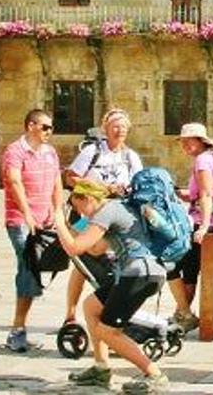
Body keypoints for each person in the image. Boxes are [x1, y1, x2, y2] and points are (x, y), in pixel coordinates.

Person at [53, 180, 170, 393]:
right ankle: (101, 369)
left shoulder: (106, 211)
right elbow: (96, 249)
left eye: (80, 209)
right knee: (91, 307)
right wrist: (70, 230)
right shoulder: (118, 208)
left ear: (88, 199)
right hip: (143, 271)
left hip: (138, 274)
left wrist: (60, 223)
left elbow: (74, 248)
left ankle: (155, 375)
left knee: (108, 331)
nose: (83, 215)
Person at [63, 109, 144, 328]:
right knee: (81, 261)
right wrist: (101, 188)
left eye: (124, 127)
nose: (119, 131)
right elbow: (71, 177)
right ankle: (71, 313)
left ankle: (111, 308)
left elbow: (140, 185)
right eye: (115, 126)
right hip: (86, 213)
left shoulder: (131, 157)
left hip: (115, 215)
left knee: (109, 261)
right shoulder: (93, 151)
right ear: (105, 129)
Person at [1, 108, 62, 352]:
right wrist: (27, 214)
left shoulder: (50, 153)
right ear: (30, 126)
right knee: (28, 264)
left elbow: (57, 182)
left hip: (45, 220)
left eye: (51, 127)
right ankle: (17, 330)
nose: (49, 131)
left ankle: (20, 324)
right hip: (20, 220)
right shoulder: (15, 151)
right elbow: (15, 182)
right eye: (45, 127)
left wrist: (57, 212)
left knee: (34, 267)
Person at [167, 122, 213, 332]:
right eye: (182, 141)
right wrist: (180, 193)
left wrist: (203, 226)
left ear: (200, 141)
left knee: (176, 265)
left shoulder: (202, 161)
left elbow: (206, 194)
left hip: (205, 223)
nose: (184, 144)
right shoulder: (210, 159)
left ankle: (184, 313)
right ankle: (182, 313)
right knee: (190, 269)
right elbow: (200, 194)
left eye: (188, 140)